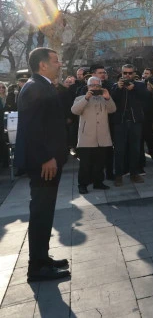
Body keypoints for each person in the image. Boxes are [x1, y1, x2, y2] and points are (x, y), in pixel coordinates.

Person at [15, 48, 70, 282]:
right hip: (44, 163)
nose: (60, 64)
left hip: (50, 161)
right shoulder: (34, 87)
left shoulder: (44, 85)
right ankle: (36, 267)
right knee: (41, 213)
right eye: (56, 61)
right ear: (43, 65)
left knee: (45, 213)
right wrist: (46, 157)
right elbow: (32, 129)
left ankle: (42, 258)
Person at [71, 77, 116, 194]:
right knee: (85, 164)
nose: (95, 88)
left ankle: (98, 182)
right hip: (86, 137)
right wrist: (86, 98)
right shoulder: (80, 98)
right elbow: (75, 111)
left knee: (100, 163)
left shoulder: (104, 98)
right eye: (92, 85)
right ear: (87, 86)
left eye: (97, 86)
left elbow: (112, 110)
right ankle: (82, 184)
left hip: (102, 136)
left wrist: (108, 97)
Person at [111, 64, 150, 186]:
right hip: (120, 122)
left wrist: (134, 89)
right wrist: (118, 88)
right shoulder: (115, 85)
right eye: (125, 73)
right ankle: (118, 175)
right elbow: (111, 101)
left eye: (130, 73)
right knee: (119, 150)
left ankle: (134, 173)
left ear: (134, 74)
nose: (127, 75)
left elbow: (147, 97)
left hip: (135, 121)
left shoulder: (140, 85)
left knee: (135, 149)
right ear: (121, 74)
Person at [139, 75, 153, 172]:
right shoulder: (144, 94)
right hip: (142, 122)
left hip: (150, 122)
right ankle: (142, 161)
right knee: (141, 143)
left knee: (151, 142)